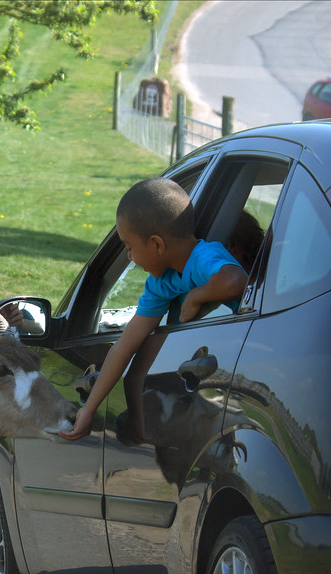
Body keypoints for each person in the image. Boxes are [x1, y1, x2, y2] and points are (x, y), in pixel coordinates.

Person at [60, 178, 247, 441]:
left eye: (129, 247)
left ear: (157, 244)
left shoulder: (204, 257)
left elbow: (235, 280)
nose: (129, 258)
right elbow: (123, 348)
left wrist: (195, 297)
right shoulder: (161, 284)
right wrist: (88, 410)